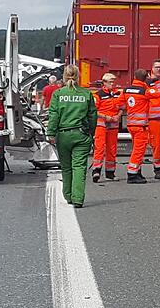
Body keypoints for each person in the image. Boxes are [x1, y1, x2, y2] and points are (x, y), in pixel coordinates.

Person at [47, 65, 97, 208]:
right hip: (81, 134)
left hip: (63, 135)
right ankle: (78, 198)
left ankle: (68, 195)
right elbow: (92, 115)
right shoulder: (86, 94)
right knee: (79, 166)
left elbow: (54, 115)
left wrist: (50, 133)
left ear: (64, 76)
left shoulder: (58, 94)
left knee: (66, 167)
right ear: (78, 76)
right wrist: (91, 133)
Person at [91, 72, 122, 182]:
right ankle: (96, 171)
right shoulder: (98, 95)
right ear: (104, 83)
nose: (112, 84)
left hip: (113, 123)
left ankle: (110, 172)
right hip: (102, 124)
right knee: (100, 147)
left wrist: (118, 116)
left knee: (112, 149)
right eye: (110, 82)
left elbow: (122, 106)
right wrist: (106, 117)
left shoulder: (118, 93)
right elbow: (94, 110)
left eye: (114, 82)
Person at [122, 68, 151, 184]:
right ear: (145, 78)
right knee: (138, 150)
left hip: (131, 124)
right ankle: (132, 174)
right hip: (141, 126)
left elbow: (119, 104)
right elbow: (159, 94)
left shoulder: (126, 90)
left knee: (136, 148)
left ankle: (137, 171)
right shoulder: (145, 91)